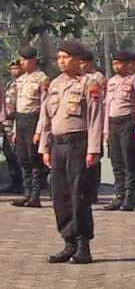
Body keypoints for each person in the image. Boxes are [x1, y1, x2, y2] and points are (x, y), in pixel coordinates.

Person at [39, 40, 103, 265]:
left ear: (78, 60)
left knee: (79, 195)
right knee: (60, 196)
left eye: (65, 57)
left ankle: (83, 243)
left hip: (79, 144)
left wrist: (94, 149)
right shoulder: (55, 84)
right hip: (58, 145)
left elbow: (96, 119)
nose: (61, 61)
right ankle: (69, 242)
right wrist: (44, 146)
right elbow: (46, 117)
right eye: (59, 58)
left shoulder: (89, 83)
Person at [102, 50, 135, 212]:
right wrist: (105, 129)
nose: (116, 66)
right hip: (113, 123)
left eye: (119, 63)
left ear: (128, 64)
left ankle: (130, 196)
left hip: (128, 122)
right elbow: (107, 105)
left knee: (129, 161)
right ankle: (119, 194)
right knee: (116, 161)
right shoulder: (112, 81)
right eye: (114, 63)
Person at [12, 46, 49, 208]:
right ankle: (27, 193)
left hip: (34, 119)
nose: (22, 62)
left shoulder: (42, 78)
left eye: (25, 59)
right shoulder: (20, 79)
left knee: (34, 160)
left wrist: (39, 130)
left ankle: (35, 195)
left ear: (33, 60)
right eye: (21, 59)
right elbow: (17, 106)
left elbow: (45, 106)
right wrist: (14, 129)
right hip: (20, 120)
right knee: (23, 158)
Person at [79, 50, 106, 204]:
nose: (81, 65)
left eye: (83, 62)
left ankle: (93, 190)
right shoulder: (79, 78)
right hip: (82, 125)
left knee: (94, 159)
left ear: (89, 63)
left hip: (95, 123)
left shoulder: (98, 78)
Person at [1, 60, 24, 194]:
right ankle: (15, 182)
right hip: (7, 124)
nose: (14, 70)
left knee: (18, 154)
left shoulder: (23, 84)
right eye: (12, 68)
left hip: (17, 123)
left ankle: (22, 184)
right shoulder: (10, 84)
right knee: (9, 153)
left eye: (17, 68)